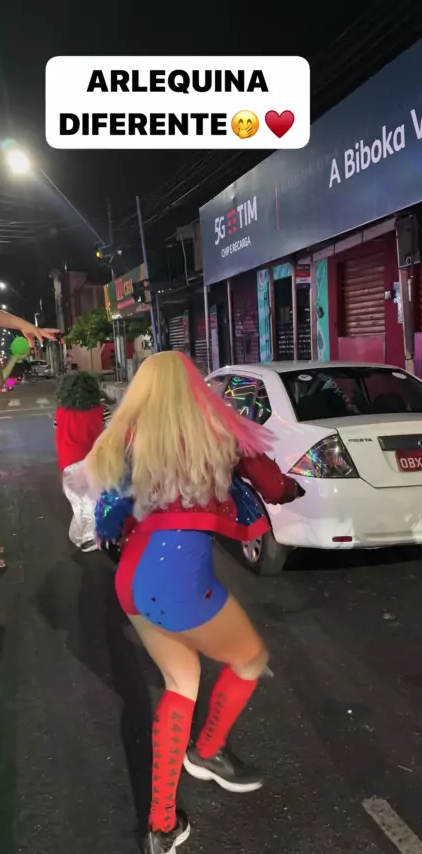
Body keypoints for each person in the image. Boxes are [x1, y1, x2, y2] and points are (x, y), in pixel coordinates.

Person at [85, 351, 305, 854]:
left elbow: (108, 514)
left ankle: (162, 826)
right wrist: (290, 489)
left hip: (134, 577)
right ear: (194, 388)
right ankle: (206, 751)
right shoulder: (219, 432)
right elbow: (274, 486)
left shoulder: (128, 439)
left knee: (182, 682)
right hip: (177, 580)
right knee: (250, 659)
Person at [55, 372, 106, 553]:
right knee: (92, 502)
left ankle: (79, 536)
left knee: (79, 503)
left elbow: (58, 432)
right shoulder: (102, 410)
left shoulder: (60, 412)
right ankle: (88, 538)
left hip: (68, 463)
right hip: (92, 461)